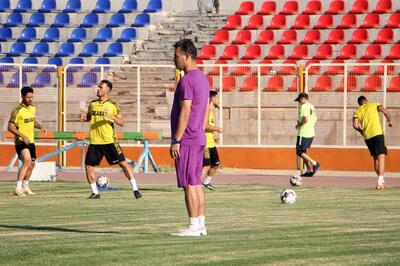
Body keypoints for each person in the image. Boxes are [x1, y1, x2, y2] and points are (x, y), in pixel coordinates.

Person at [170, 39, 209, 237]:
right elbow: (205, 107)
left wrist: (177, 139)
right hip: (198, 137)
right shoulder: (203, 78)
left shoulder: (186, 80)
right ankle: (201, 225)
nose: (174, 59)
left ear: (187, 56)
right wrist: (200, 129)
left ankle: (193, 226)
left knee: (188, 184)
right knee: (196, 182)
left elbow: (185, 110)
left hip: (187, 139)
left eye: (176, 56)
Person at [80, 80, 142, 199]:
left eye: (100, 87)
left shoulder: (113, 105)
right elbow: (89, 117)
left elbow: (122, 122)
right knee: (88, 166)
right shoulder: (92, 104)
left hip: (109, 141)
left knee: (123, 164)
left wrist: (112, 117)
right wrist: (84, 117)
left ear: (107, 90)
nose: (98, 89)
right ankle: (95, 193)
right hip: (94, 141)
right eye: (98, 87)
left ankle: (135, 189)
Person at [8, 86, 46, 197]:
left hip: (31, 141)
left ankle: (25, 186)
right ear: (22, 97)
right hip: (20, 141)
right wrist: (23, 136)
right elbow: (10, 127)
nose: (30, 99)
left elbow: (32, 121)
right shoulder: (17, 111)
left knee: (32, 164)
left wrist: (40, 126)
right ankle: (17, 188)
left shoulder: (32, 108)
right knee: (27, 160)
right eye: (28, 97)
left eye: (31, 97)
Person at [353, 96, 392, 190]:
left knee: (375, 158)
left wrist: (362, 131)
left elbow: (355, 125)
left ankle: (381, 181)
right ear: (366, 101)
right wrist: (389, 120)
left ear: (359, 103)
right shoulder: (374, 104)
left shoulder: (357, 110)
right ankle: (379, 182)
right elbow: (385, 111)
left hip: (367, 137)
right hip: (377, 134)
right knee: (381, 157)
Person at [295, 92, 320, 177]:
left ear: (302, 99)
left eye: (299, 100)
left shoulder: (304, 106)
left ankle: (314, 163)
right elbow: (315, 119)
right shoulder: (311, 106)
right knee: (304, 152)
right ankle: (309, 170)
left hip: (304, 133)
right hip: (311, 132)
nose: (299, 102)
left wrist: (299, 124)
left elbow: (306, 119)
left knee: (299, 152)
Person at [202, 90, 222, 191]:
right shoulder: (207, 110)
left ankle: (206, 182)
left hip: (211, 143)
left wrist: (214, 136)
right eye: (217, 98)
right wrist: (217, 129)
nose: (218, 100)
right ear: (212, 99)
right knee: (205, 165)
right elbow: (204, 125)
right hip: (205, 144)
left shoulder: (211, 111)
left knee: (216, 163)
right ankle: (196, 185)